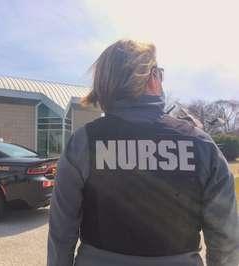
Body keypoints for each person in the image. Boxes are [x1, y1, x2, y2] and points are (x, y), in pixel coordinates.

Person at [47, 40, 239, 266]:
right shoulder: (201, 145)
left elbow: (61, 232)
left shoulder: (83, 142)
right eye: (159, 73)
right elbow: (225, 237)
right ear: (151, 77)